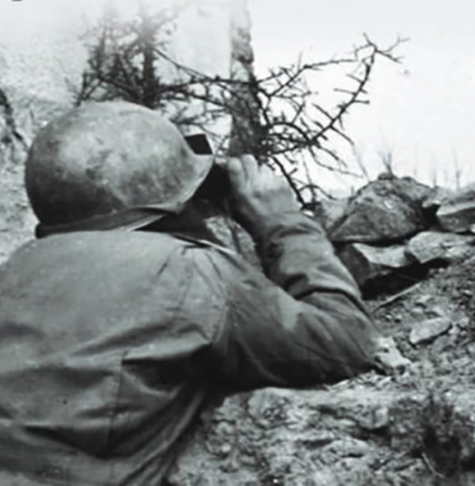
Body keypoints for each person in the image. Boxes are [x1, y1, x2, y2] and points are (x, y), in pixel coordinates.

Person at [0, 101, 387, 485]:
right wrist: (281, 222)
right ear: (174, 201)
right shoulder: (186, 268)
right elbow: (348, 340)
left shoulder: (14, 269)